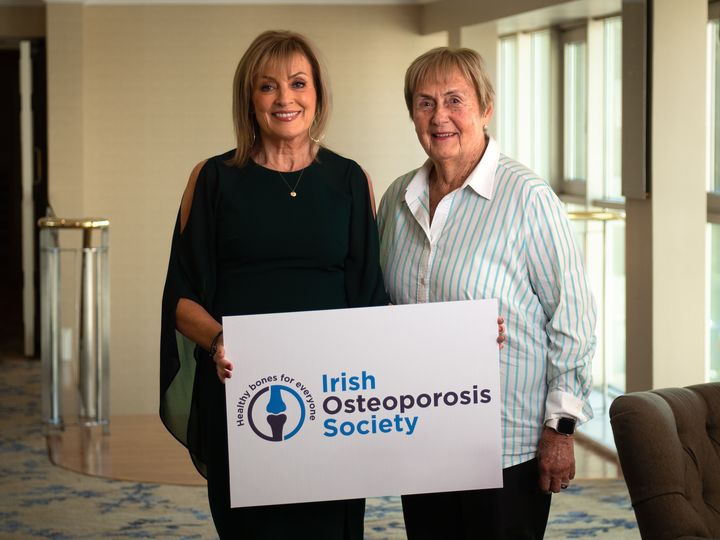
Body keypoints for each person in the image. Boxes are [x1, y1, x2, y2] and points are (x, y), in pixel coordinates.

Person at [159, 30, 388, 539]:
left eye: (298, 83)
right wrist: (219, 340)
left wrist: (455, 341)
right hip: (244, 395)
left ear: (318, 94)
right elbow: (181, 299)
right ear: (250, 98)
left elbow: (371, 299)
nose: (285, 98)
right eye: (268, 86)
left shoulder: (352, 180)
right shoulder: (211, 179)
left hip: (333, 398)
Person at [377, 47, 597, 539]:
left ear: (485, 108)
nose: (440, 116)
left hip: (504, 443)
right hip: (421, 435)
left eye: (455, 100)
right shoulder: (396, 199)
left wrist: (560, 429)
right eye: (425, 103)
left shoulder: (528, 198)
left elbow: (573, 320)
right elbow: (382, 305)